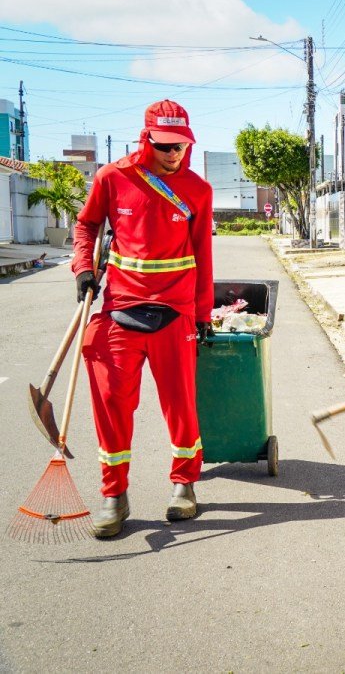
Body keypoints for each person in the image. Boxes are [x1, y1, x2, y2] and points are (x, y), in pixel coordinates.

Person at [73, 99, 214, 538]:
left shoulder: (198, 190)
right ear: (147, 138)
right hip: (120, 308)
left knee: (181, 402)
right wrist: (82, 269)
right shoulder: (113, 178)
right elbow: (86, 225)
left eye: (180, 146)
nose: (173, 155)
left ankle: (184, 485)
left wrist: (203, 312)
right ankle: (114, 494)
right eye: (165, 146)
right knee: (112, 403)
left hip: (175, 313)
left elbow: (203, 256)